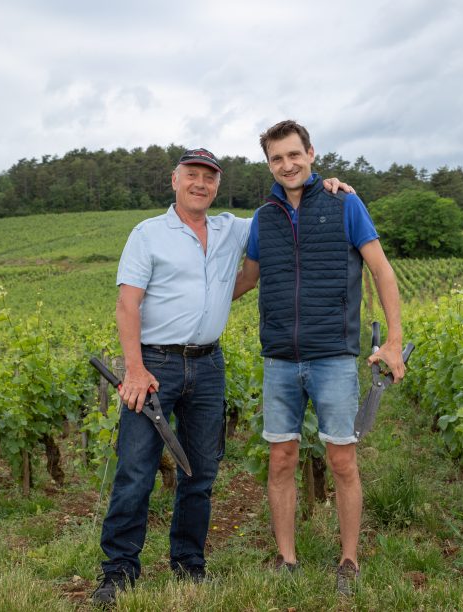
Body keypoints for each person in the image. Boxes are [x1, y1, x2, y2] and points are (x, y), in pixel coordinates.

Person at [92, 146, 353, 605]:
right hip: (155, 365)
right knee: (136, 470)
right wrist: (134, 368)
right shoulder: (148, 234)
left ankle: (189, 562)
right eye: (191, 175)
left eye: (209, 177)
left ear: (217, 185)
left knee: (201, 471)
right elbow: (126, 303)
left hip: (209, 365)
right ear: (174, 180)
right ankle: (118, 571)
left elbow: (289, 209)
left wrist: (328, 187)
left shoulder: (234, 228)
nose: (200, 183)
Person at [232, 120, 405, 596]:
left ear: (311, 153)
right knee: (281, 459)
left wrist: (392, 341)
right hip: (280, 360)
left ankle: (348, 561)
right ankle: (287, 559)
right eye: (276, 158)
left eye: (294, 154)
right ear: (268, 164)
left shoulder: (344, 202)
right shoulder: (263, 218)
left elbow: (382, 272)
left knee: (342, 461)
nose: (286, 165)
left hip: (333, 356)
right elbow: (246, 281)